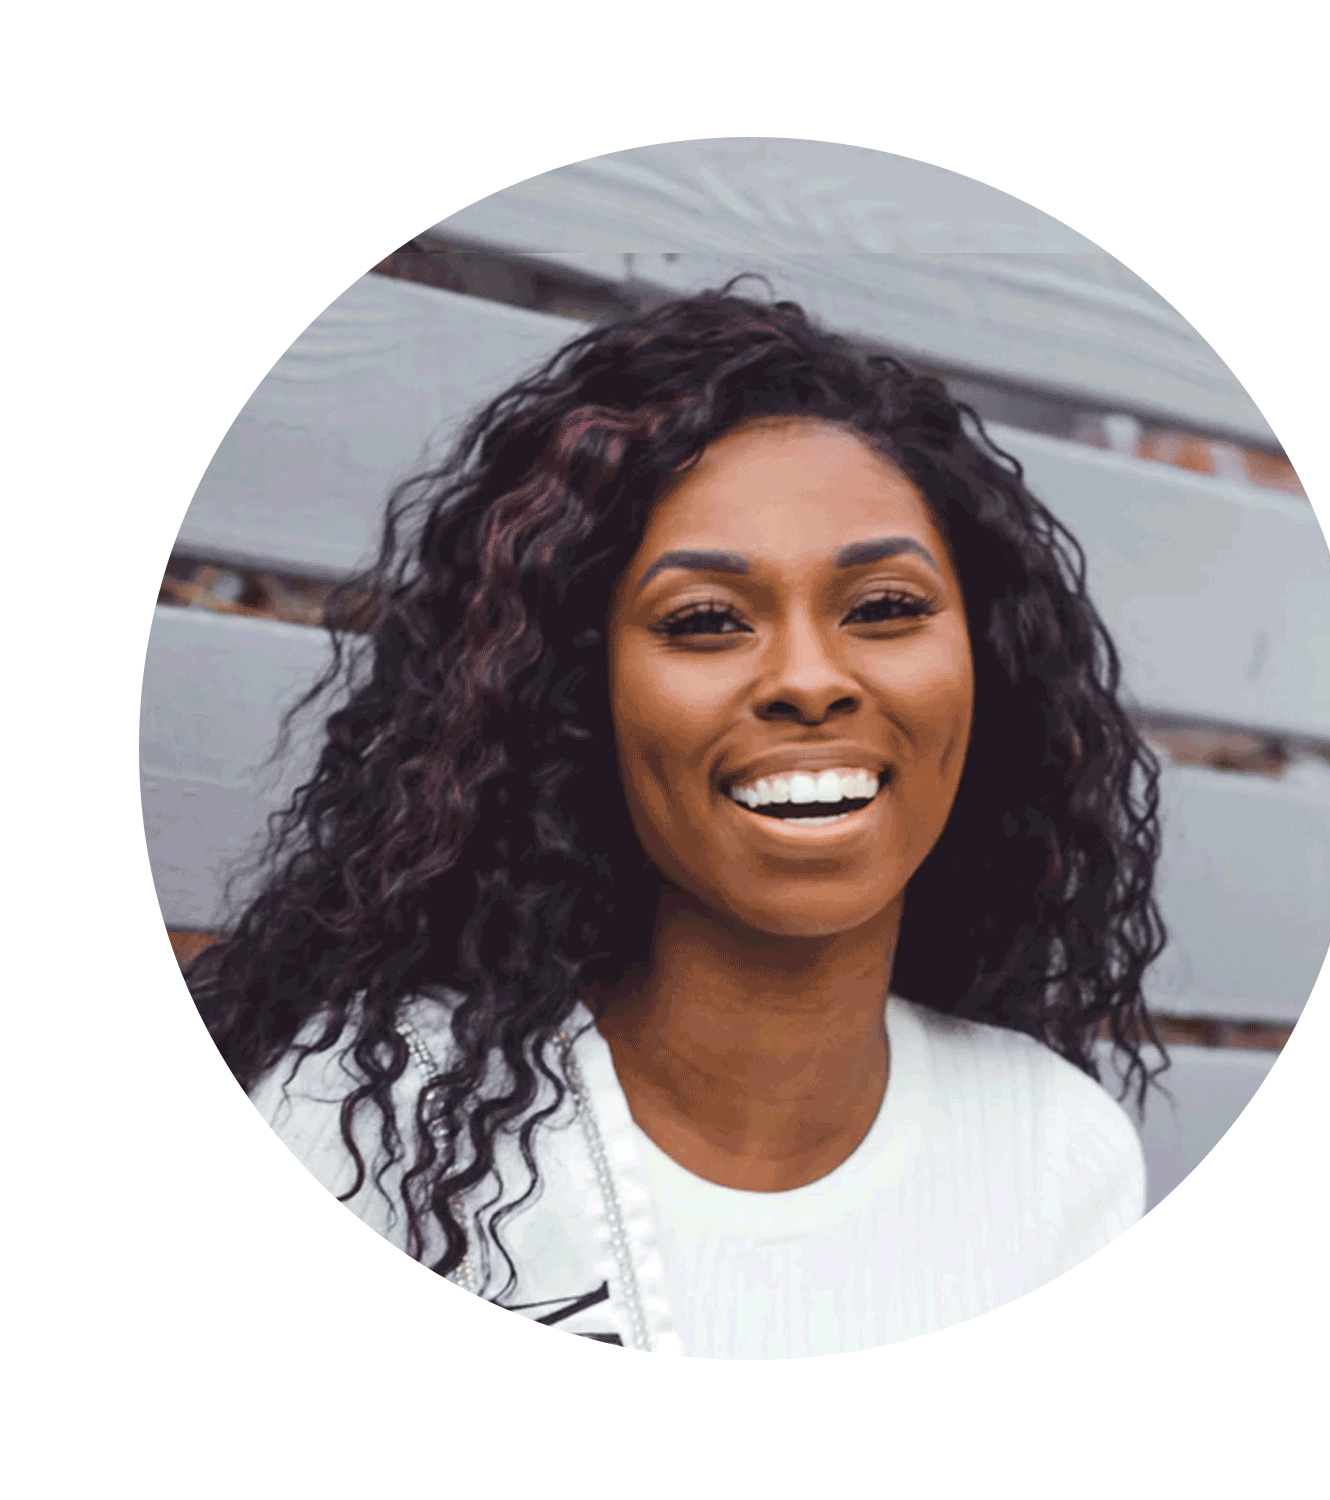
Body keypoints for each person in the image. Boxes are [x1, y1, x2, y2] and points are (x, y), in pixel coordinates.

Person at [185, 281, 1170, 1357]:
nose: (809, 678)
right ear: (576, 694)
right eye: (705, 621)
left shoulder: (1057, 1154)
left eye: (884, 608)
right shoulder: (371, 1125)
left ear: (990, 668)